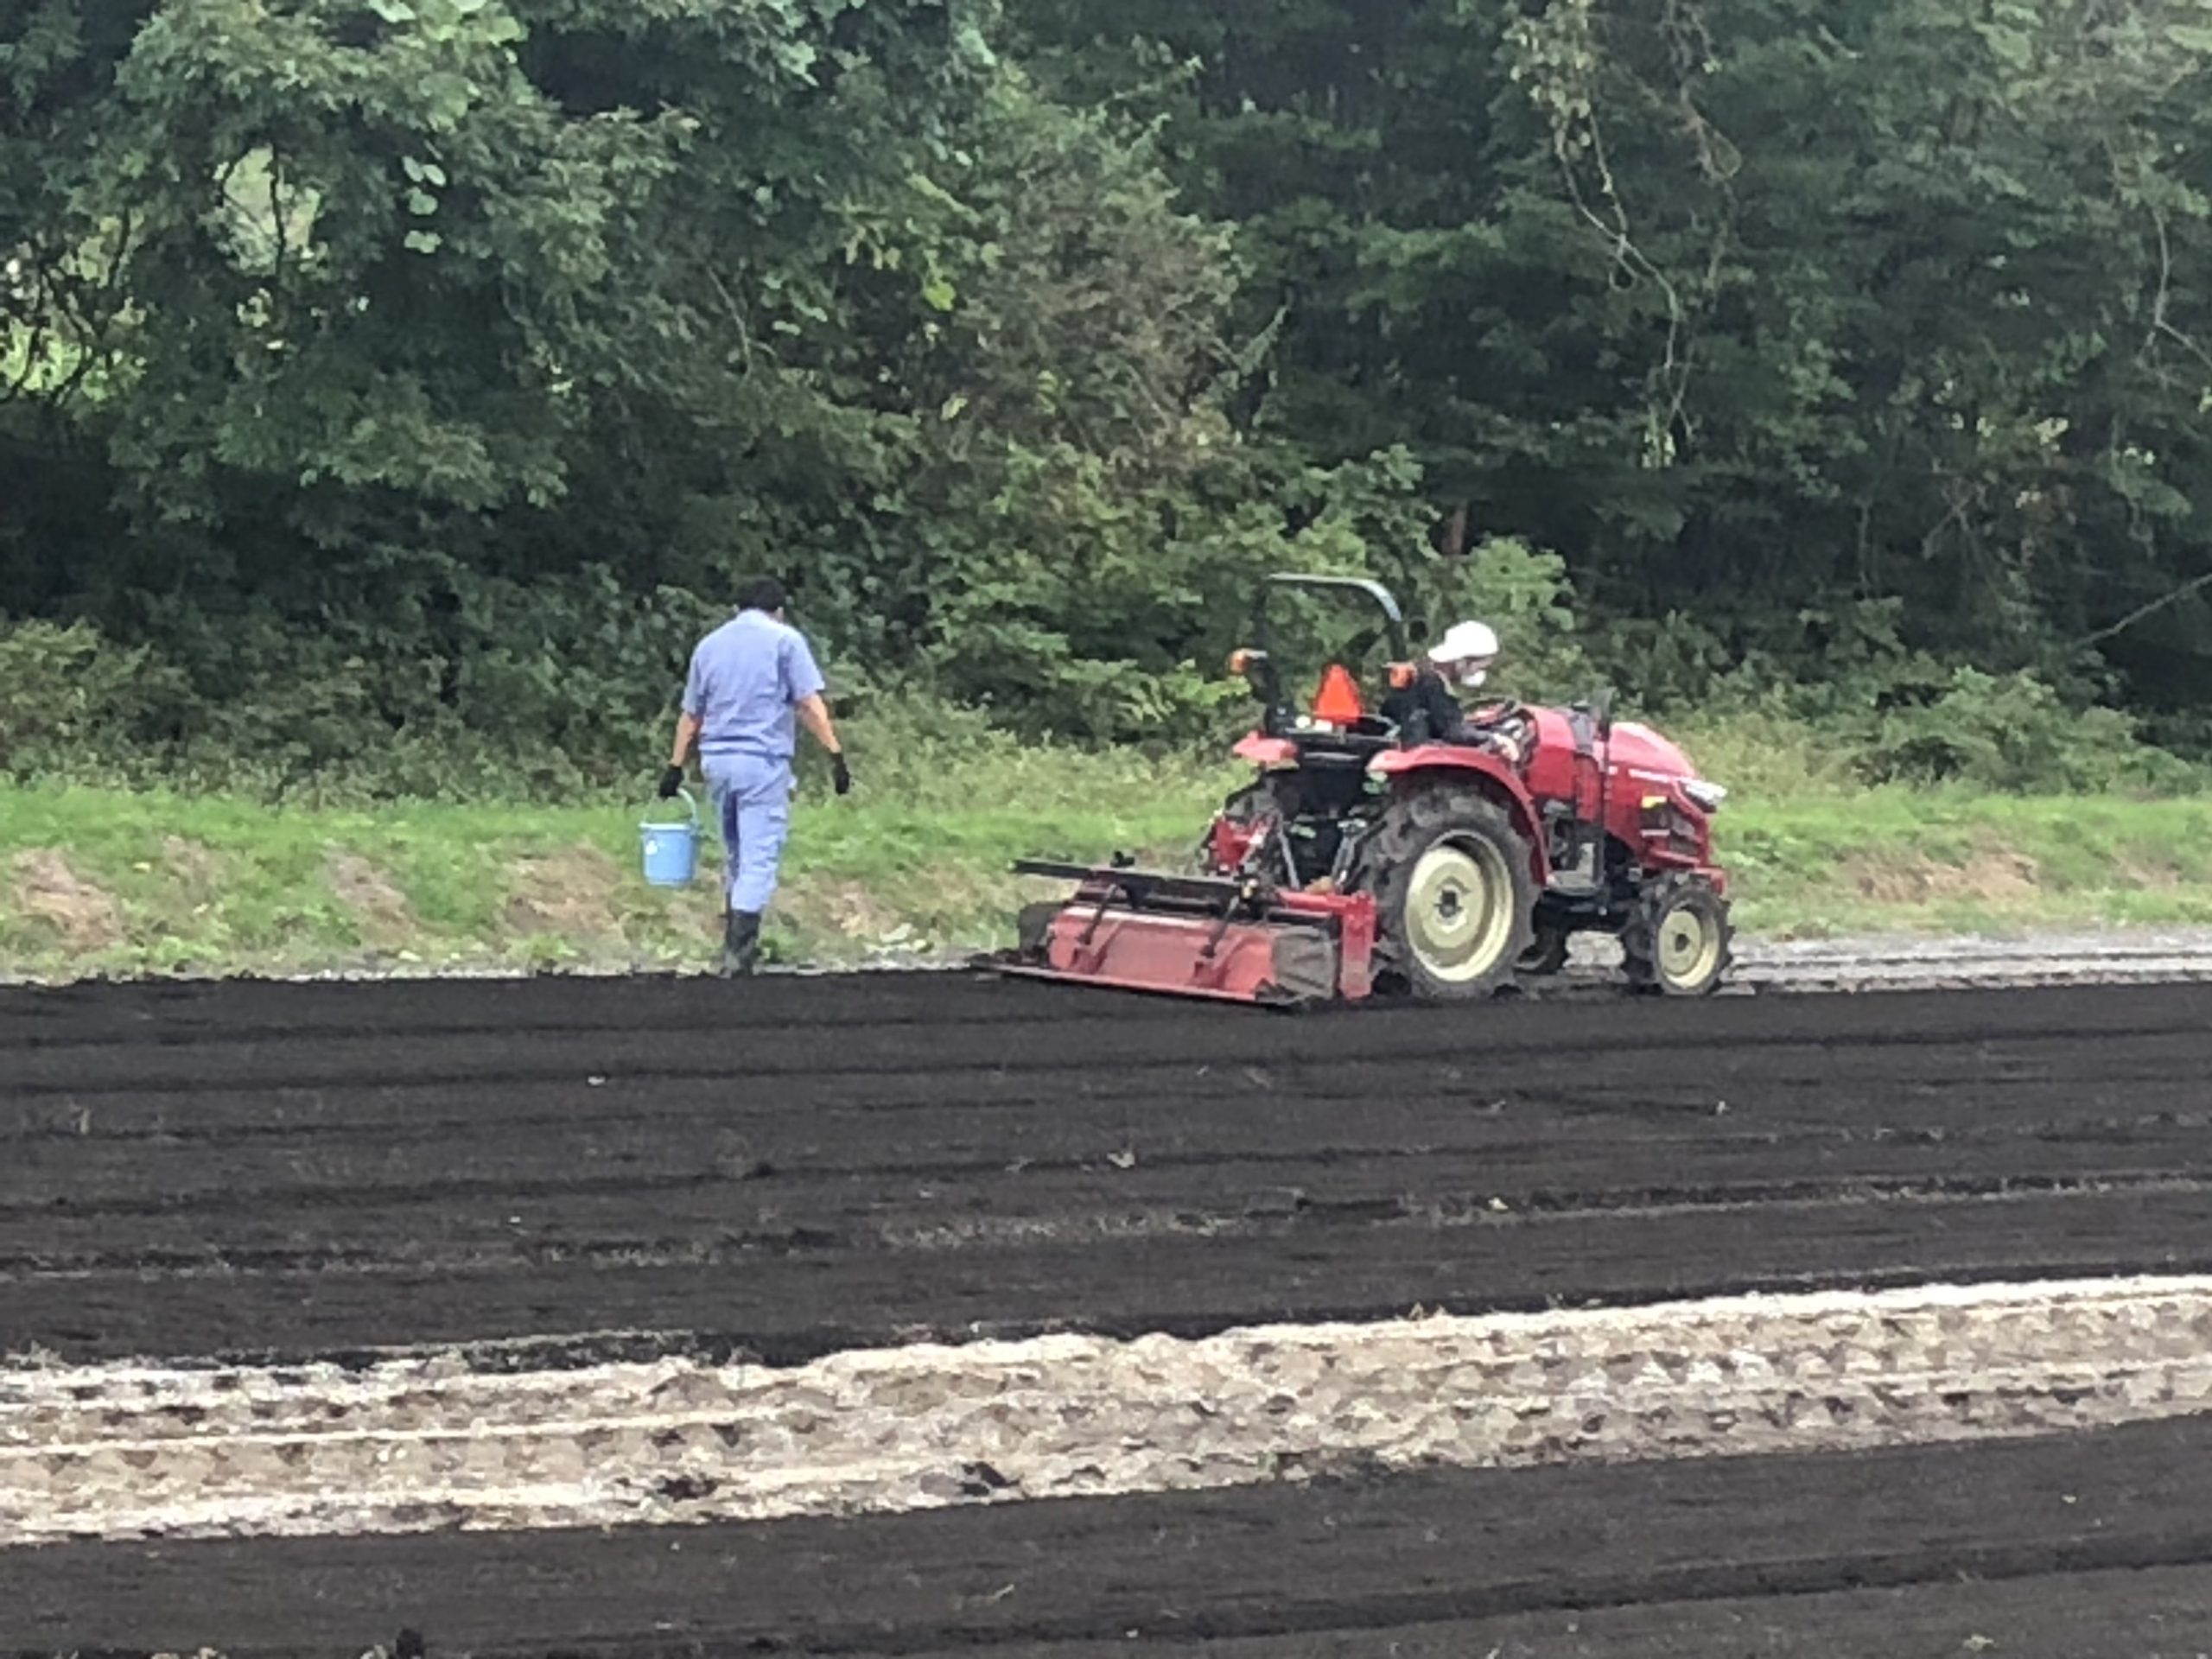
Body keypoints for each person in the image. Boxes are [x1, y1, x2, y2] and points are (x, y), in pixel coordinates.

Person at [659, 577, 851, 976]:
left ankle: (731, 944)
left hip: (717, 762)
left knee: (734, 852)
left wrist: (675, 766)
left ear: (735, 608)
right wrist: (835, 753)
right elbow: (808, 704)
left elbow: (691, 715)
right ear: (778, 610)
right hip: (761, 763)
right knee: (760, 854)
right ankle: (740, 953)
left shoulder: (709, 646)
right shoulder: (785, 640)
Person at [1384, 619, 1533, 765]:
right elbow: (1453, 732)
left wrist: (1477, 725)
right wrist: (1493, 739)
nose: (1477, 672)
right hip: (1422, 755)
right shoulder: (1431, 684)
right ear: (1462, 661)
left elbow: (1444, 722)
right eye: (1479, 667)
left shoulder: (1423, 674)